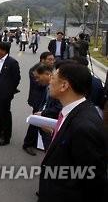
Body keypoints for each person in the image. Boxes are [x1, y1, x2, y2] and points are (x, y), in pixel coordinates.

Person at [38, 62, 107, 201]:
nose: (49, 80)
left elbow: (94, 181)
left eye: (53, 77)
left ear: (64, 86)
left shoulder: (84, 127)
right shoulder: (73, 112)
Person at [22, 52, 55, 155]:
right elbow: (40, 84)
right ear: (42, 60)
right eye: (49, 59)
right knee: (36, 122)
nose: (52, 61)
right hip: (37, 99)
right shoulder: (35, 70)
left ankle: (36, 142)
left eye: (53, 59)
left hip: (45, 100)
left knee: (41, 122)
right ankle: (27, 144)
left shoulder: (48, 70)